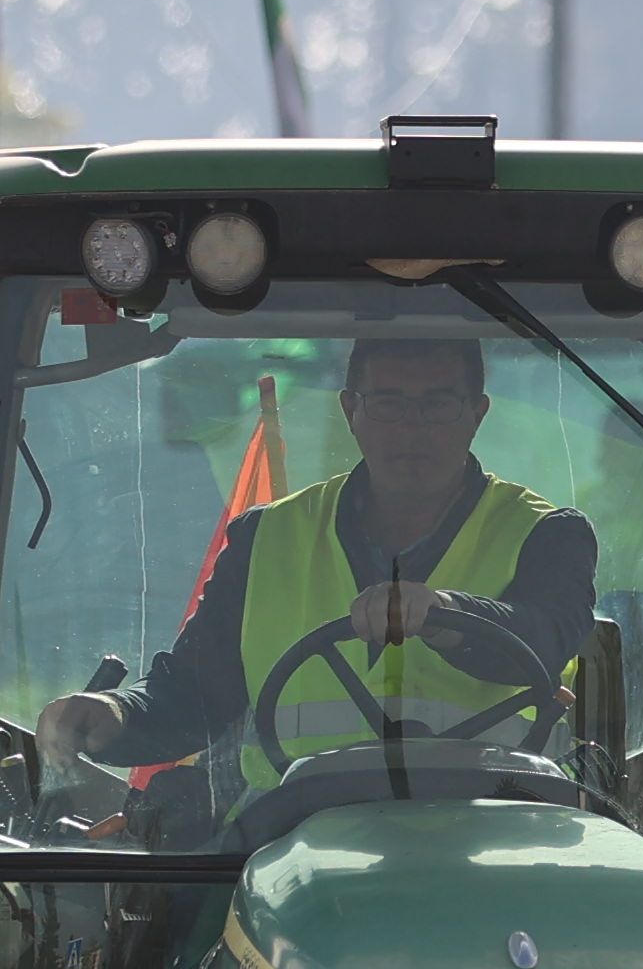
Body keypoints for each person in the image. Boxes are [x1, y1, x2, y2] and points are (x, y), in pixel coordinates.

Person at [39, 337, 599, 793]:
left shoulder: (548, 534)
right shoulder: (266, 536)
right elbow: (195, 693)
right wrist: (114, 714)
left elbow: (547, 639)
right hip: (293, 837)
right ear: (351, 410)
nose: (411, 427)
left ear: (476, 413)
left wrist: (445, 613)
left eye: (437, 404)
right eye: (388, 403)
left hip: (496, 828)